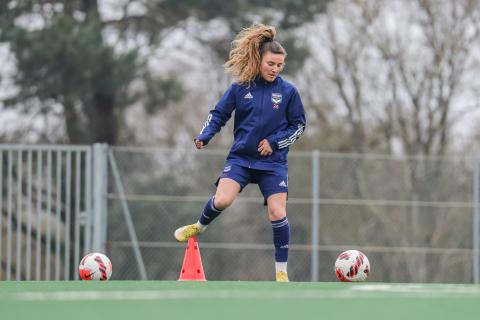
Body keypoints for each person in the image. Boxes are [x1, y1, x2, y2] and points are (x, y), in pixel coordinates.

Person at [174, 23, 306, 282]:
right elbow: (218, 114)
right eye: (271, 63)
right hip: (242, 159)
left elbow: (299, 126)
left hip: (273, 163)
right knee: (222, 200)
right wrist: (204, 136)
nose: (275, 69)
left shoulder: (289, 92)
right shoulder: (239, 88)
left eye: (279, 65)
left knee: (278, 213)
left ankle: (281, 273)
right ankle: (198, 227)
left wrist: (275, 142)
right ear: (259, 60)